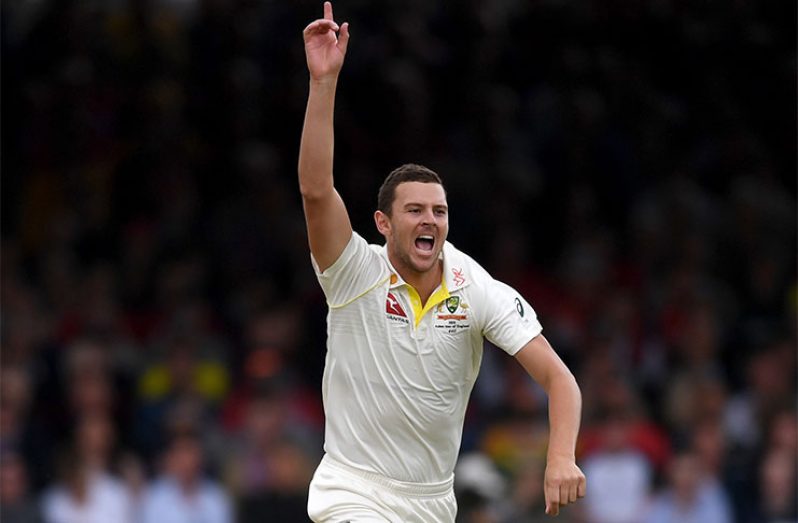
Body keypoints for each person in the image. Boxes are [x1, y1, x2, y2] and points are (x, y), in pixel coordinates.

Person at [299, 3, 586, 521]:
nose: (429, 219)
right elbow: (317, 191)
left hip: (433, 502)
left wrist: (560, 457)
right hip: (352, 491)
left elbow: (560, 380)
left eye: (439, 210)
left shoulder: (474, 287)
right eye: (414, 210)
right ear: (384, 223)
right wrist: (323, 83)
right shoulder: (352, 272)